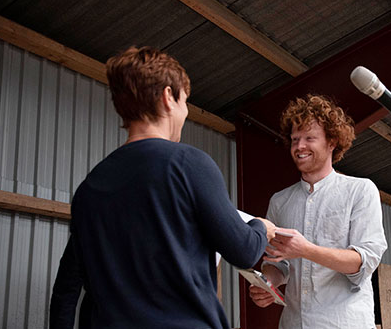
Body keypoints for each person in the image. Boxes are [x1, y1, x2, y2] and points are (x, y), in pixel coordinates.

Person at [50, 46, 275, 329]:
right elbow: (244, 250)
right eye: (185, 101)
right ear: (169, 97)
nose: (186, 111)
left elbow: (66, 287)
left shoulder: (90, 187)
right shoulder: (189, 164)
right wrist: (261, 228)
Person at [248, 94, 388, 328]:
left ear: (332, 141)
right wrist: (269, 282)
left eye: (309, 138)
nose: (299, 146)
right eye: (294, 139)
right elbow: (278, 261)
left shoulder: (360, 190)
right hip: (294, 323)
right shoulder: (280, 201)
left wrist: (306, 250)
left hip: (344, 323)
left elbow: (363, 262)